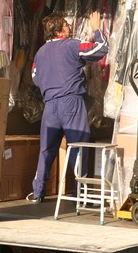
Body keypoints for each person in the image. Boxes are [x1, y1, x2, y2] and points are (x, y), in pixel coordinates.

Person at [26, 11, 108, 203]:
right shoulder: (72, 45)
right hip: (71, 101)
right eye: (66, 25)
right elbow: (101, 49)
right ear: (58, 31)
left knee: (46, 149)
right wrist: (97, 28)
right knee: (78, 146)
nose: (69, 27)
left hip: (50, 105)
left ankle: (38, 192)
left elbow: (35, 78)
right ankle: (81, 193)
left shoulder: (40, 53)